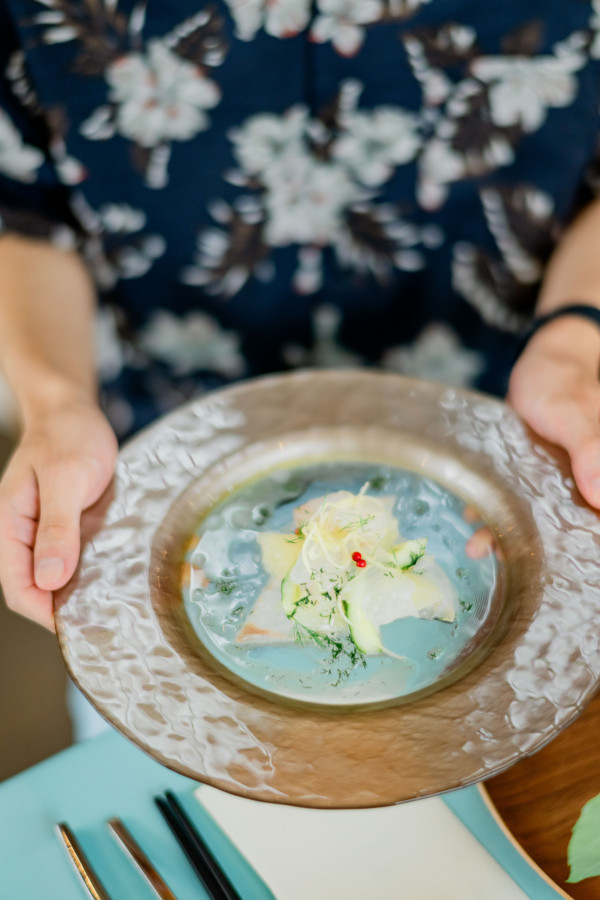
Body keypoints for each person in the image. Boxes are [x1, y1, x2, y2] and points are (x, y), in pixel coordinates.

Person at [1, 0, 600, 639]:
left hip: (511, 462)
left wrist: (574, 346)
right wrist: (57, 403)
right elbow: (23, 210)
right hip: (156, 467)